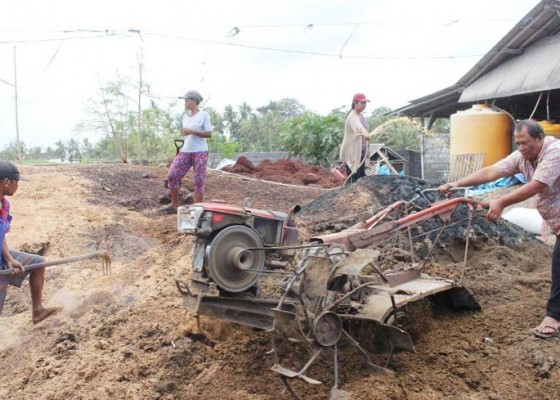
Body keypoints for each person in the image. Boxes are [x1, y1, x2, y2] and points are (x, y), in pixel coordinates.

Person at [439, 119, 560, 339]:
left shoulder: (555, 152)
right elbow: (492, 172)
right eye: (518, 143)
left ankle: (553, 319)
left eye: (525, 143)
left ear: (540, 138)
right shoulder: (523, 157)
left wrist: (502, 202)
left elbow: (537, 185)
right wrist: (456, 185)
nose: (521, 148)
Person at [0, 161, 62, 324]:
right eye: (16, 182)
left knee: (37, 263)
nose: (17, 186)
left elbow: (1, 236)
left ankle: (38, 311)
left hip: (1, 255)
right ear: (7, 182)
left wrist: (9, 259)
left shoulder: (4, 204)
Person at [163, 90, 213, 214]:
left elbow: (208, 133)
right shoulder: (185, 117)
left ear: (194, 101)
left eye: (186, 100)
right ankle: (175, 205)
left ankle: (198, 209)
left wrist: (192, 131)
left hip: (200, 151)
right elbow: (188, 134)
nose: (185, 103)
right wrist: (186, 132)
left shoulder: (204, 115)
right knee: (172, 175)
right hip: (186, 150)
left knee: (199, 179)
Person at [340, 93, 373, 184]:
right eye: (362, 103)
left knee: (361, 180)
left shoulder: (360, 116)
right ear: (355, 103)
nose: (364, 105)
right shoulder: (352, 116)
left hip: (360, 155)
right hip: (353, 155)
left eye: (365, 103)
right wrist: (365, 133)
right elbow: (358, 127)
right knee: (354, 182)